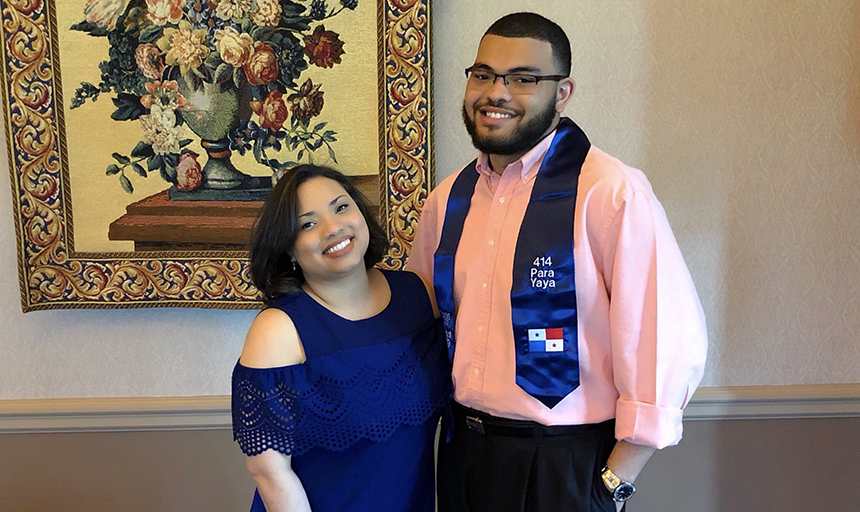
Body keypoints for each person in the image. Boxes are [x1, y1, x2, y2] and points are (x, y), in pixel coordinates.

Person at [407, 12, 708, 512]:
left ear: (562, 92)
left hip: (564, 462)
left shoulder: (610, 193)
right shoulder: (448, 200)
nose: (496, 93)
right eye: (482, 74)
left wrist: (612, 482)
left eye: (523, 79)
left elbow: (663, 339)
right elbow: (421, 317)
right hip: (464, 451)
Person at [232, 164, 451, 512]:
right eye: (307, 224)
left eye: (341, 207)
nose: (333, 228)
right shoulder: (278, 330)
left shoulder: (420, 295)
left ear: (361, 213)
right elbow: (270, 473)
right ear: (288, 247)